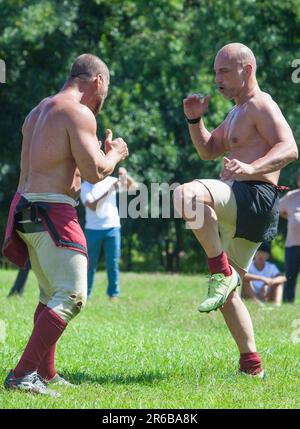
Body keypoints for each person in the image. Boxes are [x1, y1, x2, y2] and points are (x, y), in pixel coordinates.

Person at [2, 53, 128, 395]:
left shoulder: (38, 110)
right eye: (105, 92)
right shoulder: (78, 111)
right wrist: (115, 153)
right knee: (72, 295)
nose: (102, 103)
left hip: (24, 208)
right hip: (52, 210)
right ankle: (23, 374)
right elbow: (92, 171)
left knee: (48, 294)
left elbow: (59, 159)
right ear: (98, 82)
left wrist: (99, 156)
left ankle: (46, 372)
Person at [174, 42, 297, 377]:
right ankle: (252, 366)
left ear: (248, 70)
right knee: (230, 293)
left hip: (254, 196)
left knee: (185, 195)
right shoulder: (235, 112)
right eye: (215, 72)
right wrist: (194, 119)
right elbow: (208, 150)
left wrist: (252, 167)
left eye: (224, 71)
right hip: (249, 207)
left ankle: (219, 271)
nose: (217, 79)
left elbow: (289, 147)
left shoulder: (261, 104)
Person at [80, 167, 137, 299]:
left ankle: (113, 294)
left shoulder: (110, 180)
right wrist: (111, 190)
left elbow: (132, 187)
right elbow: (92, 206)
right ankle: (86, 295)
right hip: (92, 230)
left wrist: (124, 176)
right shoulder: (85, 187)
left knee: (113, 263)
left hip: (113, 227)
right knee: (90, 265)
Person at [242, 242, 286, 306]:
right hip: (251, 292)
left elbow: (283, 278)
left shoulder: (271, 267)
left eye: (264, 252)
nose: (261, 254)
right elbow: (243, 275)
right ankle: (257, 302)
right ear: (254, 253)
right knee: (245, 281)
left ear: (268, 256)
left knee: (278, 284)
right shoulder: (249, 265)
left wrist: (269, 282)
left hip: (267, 294)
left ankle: (277, 305)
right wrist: (262, 279)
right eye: (258, 251)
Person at [279, 172, 300, 303]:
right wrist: (291, 218)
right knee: (290, 276)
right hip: (292, 244)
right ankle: (288, 301)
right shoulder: (291, 196)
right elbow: (279, 209)